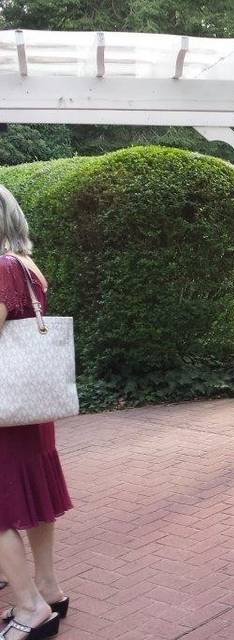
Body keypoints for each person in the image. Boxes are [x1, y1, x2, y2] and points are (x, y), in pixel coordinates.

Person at [0, 185, 71, 640]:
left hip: (4, 411)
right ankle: (48, 589)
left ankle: (29, 609)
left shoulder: (1, 268)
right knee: (36, 505)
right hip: (27, 407)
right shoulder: (26, 266)